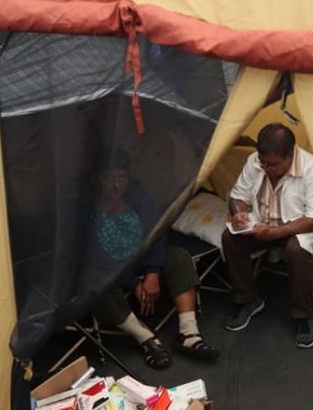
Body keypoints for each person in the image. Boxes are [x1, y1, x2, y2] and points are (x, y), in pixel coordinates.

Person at [89, 157, 217, 368]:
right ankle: (145, 338)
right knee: (96, 282)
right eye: (109, 178)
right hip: (108, 266)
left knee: (179, 257)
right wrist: (134, 283)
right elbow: (93, 256)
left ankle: (188, 333)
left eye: (121, 178)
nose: (115, 185)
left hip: (140, 255)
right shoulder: (85, 208)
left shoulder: (138, 195)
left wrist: (152, 272)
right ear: (97, 178)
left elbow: (157, 231)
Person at [222, 123, 313, 348]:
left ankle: (304, 314)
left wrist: (275, 233)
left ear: (290, 155)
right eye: (263, 163)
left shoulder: (312, 168)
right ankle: (248, 300)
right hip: (263, 223)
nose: (266, 168)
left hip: (300, 226)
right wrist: (238, 213)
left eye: (272, 164)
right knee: (230, 238)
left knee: (295, 250)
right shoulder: (255, 162)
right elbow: (238, 195)